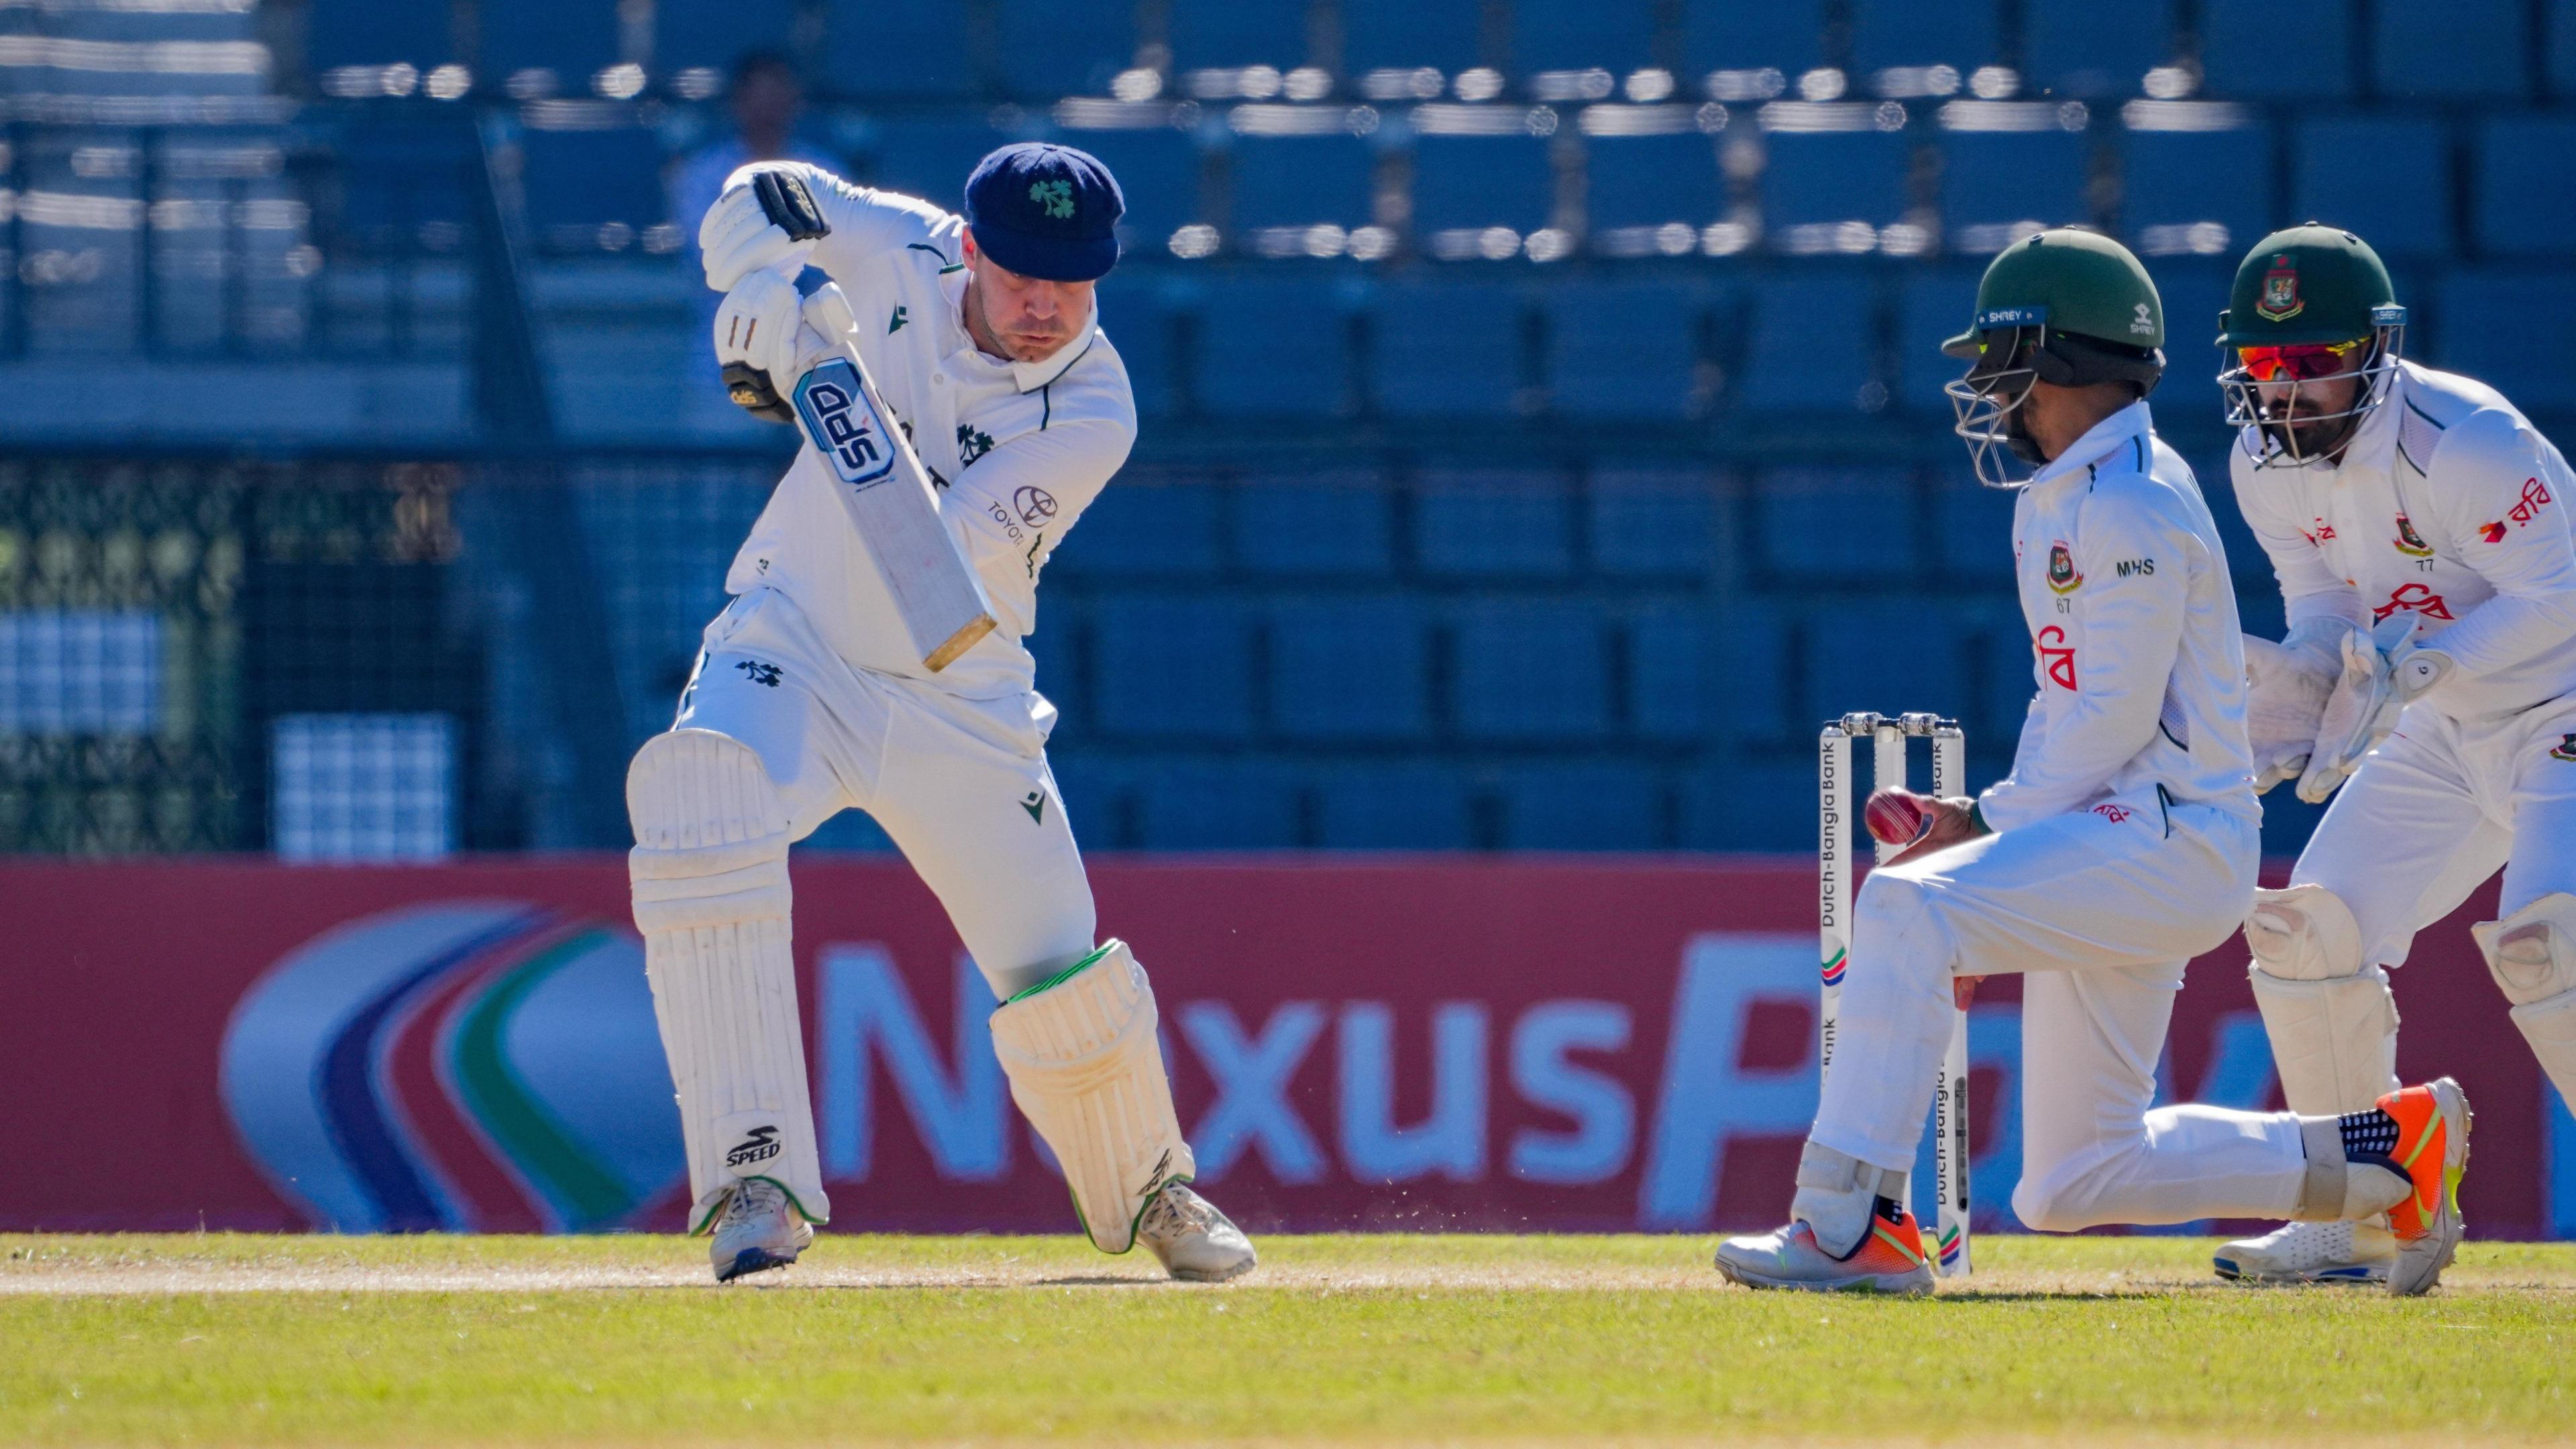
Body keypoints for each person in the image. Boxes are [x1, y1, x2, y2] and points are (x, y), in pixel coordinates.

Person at [1710, 229, 2469, 1297]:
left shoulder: (2131, 507)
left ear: (2057, 362)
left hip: (2169, 839)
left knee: (1905, 909)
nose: (1986, 386)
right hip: (2118, 835)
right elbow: (2070, 704)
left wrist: (1983, 830)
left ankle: (1849, 1227)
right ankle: (2391, 1153)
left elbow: (2107, 722)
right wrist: (1996, 834)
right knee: (2070, 1180)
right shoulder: (2068, 497)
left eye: (2001, 358)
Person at [627, 141, 1258, 1284]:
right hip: (795, 643)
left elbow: (923, 553)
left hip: (957, 685)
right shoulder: (900, 243)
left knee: (1057, 961)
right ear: (967, 246)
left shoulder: (1095, 408)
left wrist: (821, 383)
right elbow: (766, 197)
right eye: (1018, 271)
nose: (1042, 304)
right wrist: (760, 288)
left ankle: (1153, 1191)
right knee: (699, 802)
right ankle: (753, 1185)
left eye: (1071, 280)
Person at [2211, 225, 2576, 1285]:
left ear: (2377, 350)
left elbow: (2561, 592)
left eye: (2314, 365)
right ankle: (2360, 1214)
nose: (2287, 393)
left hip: (2561, 705)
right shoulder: (2262, 464)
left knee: (2551, 946)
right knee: (2302, 931)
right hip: (2446, 727)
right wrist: (2312, 675)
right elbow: (2324, 600)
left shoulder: (2469, 441)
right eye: (2268, 368)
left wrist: (2426, 662)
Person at [667, 51, 841, 397]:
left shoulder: (825, 171)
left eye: (778, 95)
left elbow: (835, 255)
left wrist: (767, 251)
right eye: (759, 96)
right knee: (721, 446)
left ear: (794, 101)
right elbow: (706, 256)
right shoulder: (703, 173)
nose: (768, 107)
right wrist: (788, 251)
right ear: (738, 102)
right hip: (723, 353)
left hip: (814, 354)